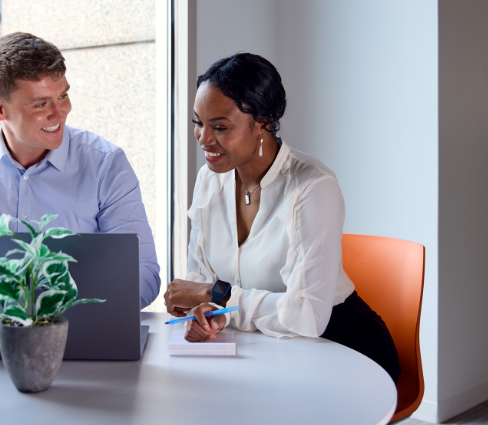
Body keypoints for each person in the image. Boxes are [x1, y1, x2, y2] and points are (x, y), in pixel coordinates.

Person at [163, 53, 401, 384]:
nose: (203, 138)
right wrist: (205, 312)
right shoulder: (210, 178)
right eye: (197, 123)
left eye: (219, 126)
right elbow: (202, 277)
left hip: (342, 350)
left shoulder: (313, 188)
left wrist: (216, 295)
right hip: (268, 353)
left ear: (263, 120)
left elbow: (305, 317)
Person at [0, 32, 160, 348]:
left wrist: (51, 322)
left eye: (63, 96)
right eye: (41, 103)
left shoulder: (106, 163)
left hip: (88, 340)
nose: (59, 113)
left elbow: (143, 273)